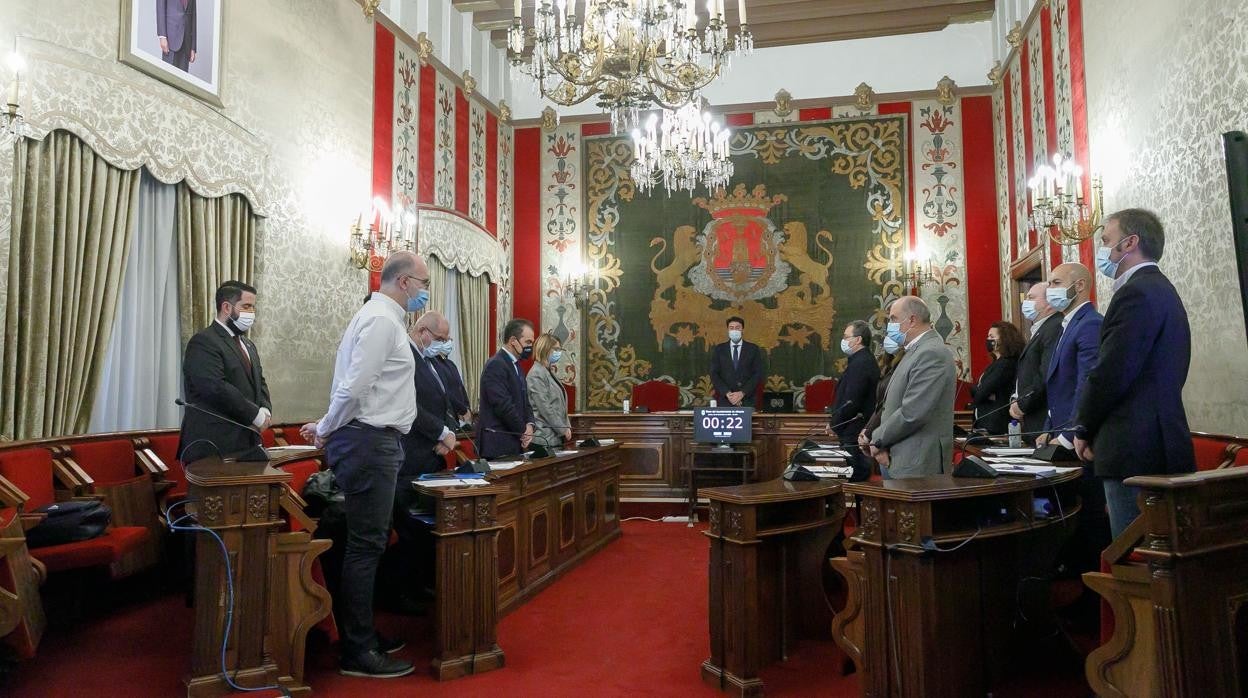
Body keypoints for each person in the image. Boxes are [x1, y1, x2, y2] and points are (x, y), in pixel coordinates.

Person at [299, 251, 428, 679]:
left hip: (375, 442)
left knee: (367, 543)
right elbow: (355, 386)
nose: (424, 293)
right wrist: (326, 427)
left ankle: (364, 634)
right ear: (405, 282)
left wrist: (327, 425)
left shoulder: (386, 320)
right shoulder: (379, 320)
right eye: (423, 284)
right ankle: (357, 649)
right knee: (366, 545)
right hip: (369, 442)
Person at [1075, 209, 1195, 538]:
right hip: (1158, 436)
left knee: (1133, 560)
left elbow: (1112, 371)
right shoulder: (1163, 289)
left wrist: (1084, 426)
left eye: (1105, 241)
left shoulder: (1136, 292)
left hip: (1133, 447)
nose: (1102, 250)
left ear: (1130, 243)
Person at [178, 281, 271, 462]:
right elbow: (215, 387)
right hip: (214, 444)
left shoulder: (249, 345)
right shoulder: (204, 341)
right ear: (227, 307)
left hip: (247, 443)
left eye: (253, 307)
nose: (252, 313)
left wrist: (265, 409)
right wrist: (255, 415)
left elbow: (260, 382)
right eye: (246, 306)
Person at [869, 297, 957, 478]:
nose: (889, 325)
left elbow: (913, 412)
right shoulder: (913, 351)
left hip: (917, 460)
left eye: (893, 319)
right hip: (898, 456)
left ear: (912, 320)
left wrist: (878, 439)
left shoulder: (931, 352)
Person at [1040, 263, 1102, 448]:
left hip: (1078, 440)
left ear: (1080, 285)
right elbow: (1060, 385)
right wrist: (1048, 429)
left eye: (1056, 283)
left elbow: (1087, 383)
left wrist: (1069, 436)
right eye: (1049, 284)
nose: (1050, 290)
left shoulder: (1090, 324)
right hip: (1058, 433)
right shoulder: (1067, 324)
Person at [400, 312, 458, 477]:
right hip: (412, 454)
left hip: (434, 454)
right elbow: (407, 403)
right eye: (440, 339)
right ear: (422, 331)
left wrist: (450, 433)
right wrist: (442, 432)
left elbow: (446, 400)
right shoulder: (404, 355)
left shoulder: (431, 359)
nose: (443, 344)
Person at [1009, 283, 1063, 442]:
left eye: (1031, 298)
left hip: (1042, 418)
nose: (1026, 302)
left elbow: (1045, 374)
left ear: (1049, 303)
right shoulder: (1041, 328)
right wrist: (1016, 399)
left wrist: (1022, 404)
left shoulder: (1054, 326)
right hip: (1032, 419)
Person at [477, 319, 537, 459]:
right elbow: (502, 405)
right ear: (513, 341)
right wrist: (523, 431)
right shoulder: (496, 365)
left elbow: (525, 402)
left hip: (515, 441)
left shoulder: (517, 365)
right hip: (499, 443)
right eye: (528, 342)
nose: (530, 346)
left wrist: (530, 424)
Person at [856, 335, 903, 480]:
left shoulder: (904, 365)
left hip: (891, 441)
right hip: (880, 436)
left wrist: (871, 434)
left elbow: (892, 406)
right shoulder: (887, 366)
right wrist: (866, 431)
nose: (888, 338)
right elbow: (880, 405)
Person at [830, 320, 879, 445]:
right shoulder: (860, 360)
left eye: (846, 337)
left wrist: (835, 424)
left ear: (858, 340)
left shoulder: (861, 363)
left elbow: (851, 401)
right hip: (852, 430)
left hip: (854, 433)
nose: (843, 341)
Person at [969, 321, 1024, 435]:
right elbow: (983, 392)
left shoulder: (1006, 363)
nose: (988, 339)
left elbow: (982, 392)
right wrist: (982, 391)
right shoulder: (996, 363)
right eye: (988, 336)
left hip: (996, 425)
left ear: (1005, 339)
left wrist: (980, 390)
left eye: (992, 337)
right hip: (985, 422)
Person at [527, 333, 572, 449]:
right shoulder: (536, 373)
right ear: (545, 348)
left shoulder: (548, 372)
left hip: (555, 436)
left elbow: (559, 405)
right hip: (544, 438)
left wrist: (566, 426)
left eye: (560, 349)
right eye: (556, 349)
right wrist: (562, 429)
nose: (559, 352)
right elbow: (545, 407)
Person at [709, 316, 764, 407]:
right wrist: (728, 394)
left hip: (747, 400)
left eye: (737, 328)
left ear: (742, 329)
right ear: (728, 330)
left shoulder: (753, 349)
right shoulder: (719, 349)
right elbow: (714, 374)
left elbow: (758, 374)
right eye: (731, 328)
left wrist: (742, 393)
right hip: (725, 400)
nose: (734, 330)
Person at [431, 328, 472, 427]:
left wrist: (467, 408)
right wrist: (461, 409)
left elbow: (460, 388)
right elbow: (445, 391)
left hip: (459, 418)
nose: (449, 343)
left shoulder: (451, 364)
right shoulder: (434, 363)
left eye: (450, 340)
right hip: (446, 416)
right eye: (446, 341)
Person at [156, 0, 197, 72]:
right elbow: (160, 7)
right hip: (171, 39)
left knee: (182, 79)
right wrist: (162, 36)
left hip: (186, 41)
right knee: (167, 75)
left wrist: (193, 47)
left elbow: (193, 15)